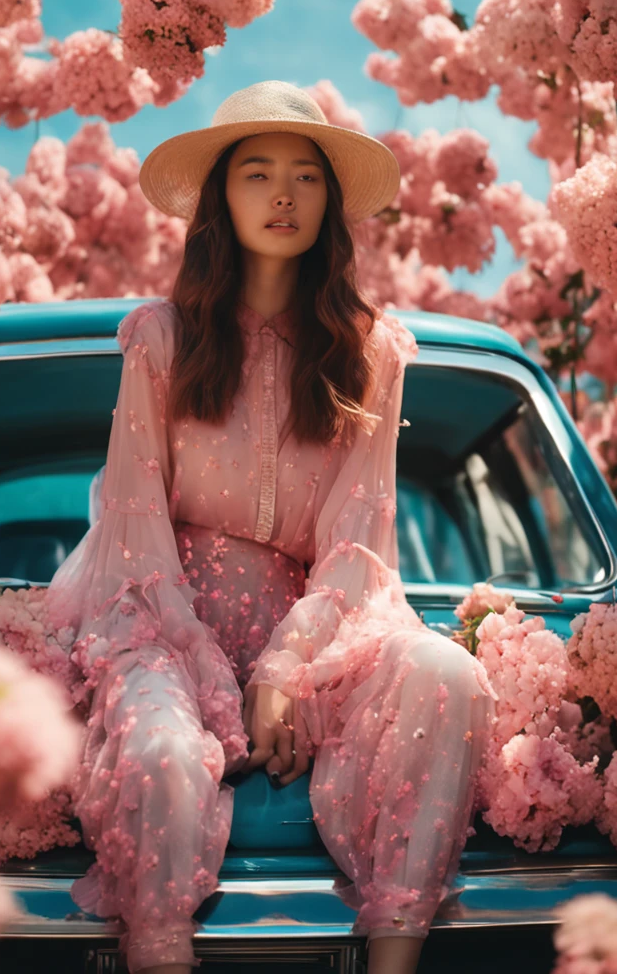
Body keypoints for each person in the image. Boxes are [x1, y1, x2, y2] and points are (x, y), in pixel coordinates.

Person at [44, 81, 498, 974]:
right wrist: (216, 676)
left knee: (450, 672)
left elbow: (360, 537)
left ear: (330, 202)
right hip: (159, 621)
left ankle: (396, 955)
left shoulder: (370, 352)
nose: (282, 195)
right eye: (257, 174)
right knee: (167, 752)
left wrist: (286, 666)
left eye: (305, 177)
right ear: (223, 199)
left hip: (321, 630)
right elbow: (135, 527)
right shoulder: (163, 341)